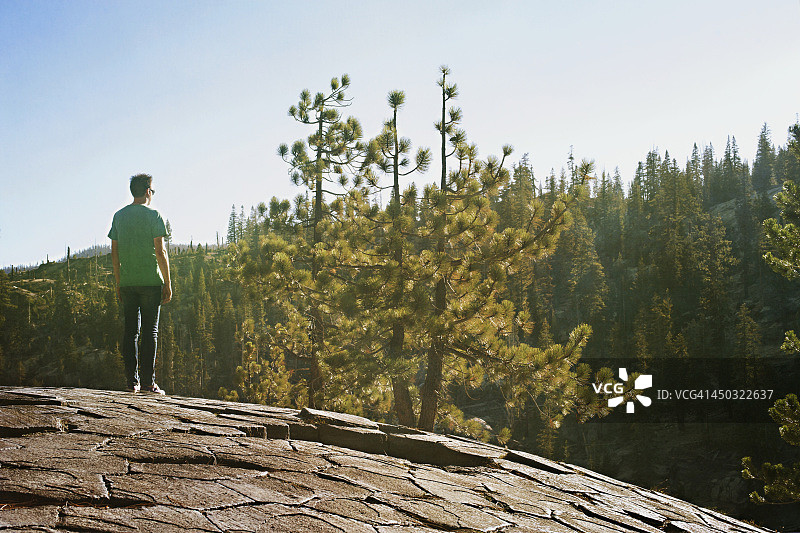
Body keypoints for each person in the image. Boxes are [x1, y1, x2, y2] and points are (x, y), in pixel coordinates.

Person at [108, 174, 172, 394]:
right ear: (147, 191)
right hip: (150, 282)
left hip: (127, 282)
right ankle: (147, 383)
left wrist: (118, 282)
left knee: (130, 332)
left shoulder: (119, 216)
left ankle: (130, 383)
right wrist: (167, 282)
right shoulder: (154, 215)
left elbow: (114, 254)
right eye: (152, 191)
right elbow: (160, 252)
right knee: (149, 332)